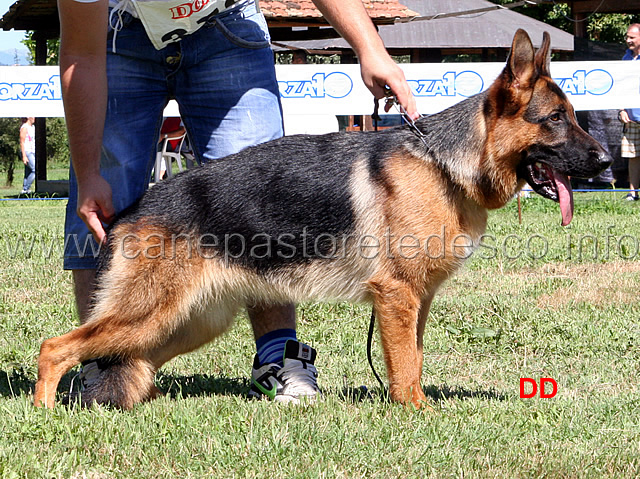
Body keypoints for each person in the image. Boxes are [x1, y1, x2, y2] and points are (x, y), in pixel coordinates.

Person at [59, 0, 417, 404]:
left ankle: (278, 360)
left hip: (227, 30)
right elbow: (81, 54)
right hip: (116, 34)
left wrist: (370, 48)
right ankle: (103, 361)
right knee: (105, 200)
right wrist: (89, 173)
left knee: (266, 197)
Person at [619, 23, 640, 201]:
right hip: (631, 117)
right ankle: (633, 193)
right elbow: (620, 86)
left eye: (632, 37)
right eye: (627, 37)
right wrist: (622, 109)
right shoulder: (626, 58)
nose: (628, 41)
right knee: (633, 156)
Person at [19, 117, 36, 195]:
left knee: (28, 171)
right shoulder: (24, 127)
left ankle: (25, 190)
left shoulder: (32, 127)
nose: (34, 118)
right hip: (27, 151)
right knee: (35, 170)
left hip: (32, 151)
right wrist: (24, 156)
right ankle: (26, 189)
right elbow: (22, 142)